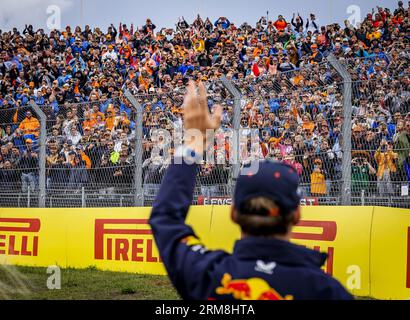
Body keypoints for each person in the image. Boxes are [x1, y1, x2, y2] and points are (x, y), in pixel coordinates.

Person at [149, 81, 352, 300]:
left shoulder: (209, 274)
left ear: (233, 212)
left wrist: (193, 143)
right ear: (296, 214)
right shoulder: (327, 291)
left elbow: (165, 220)